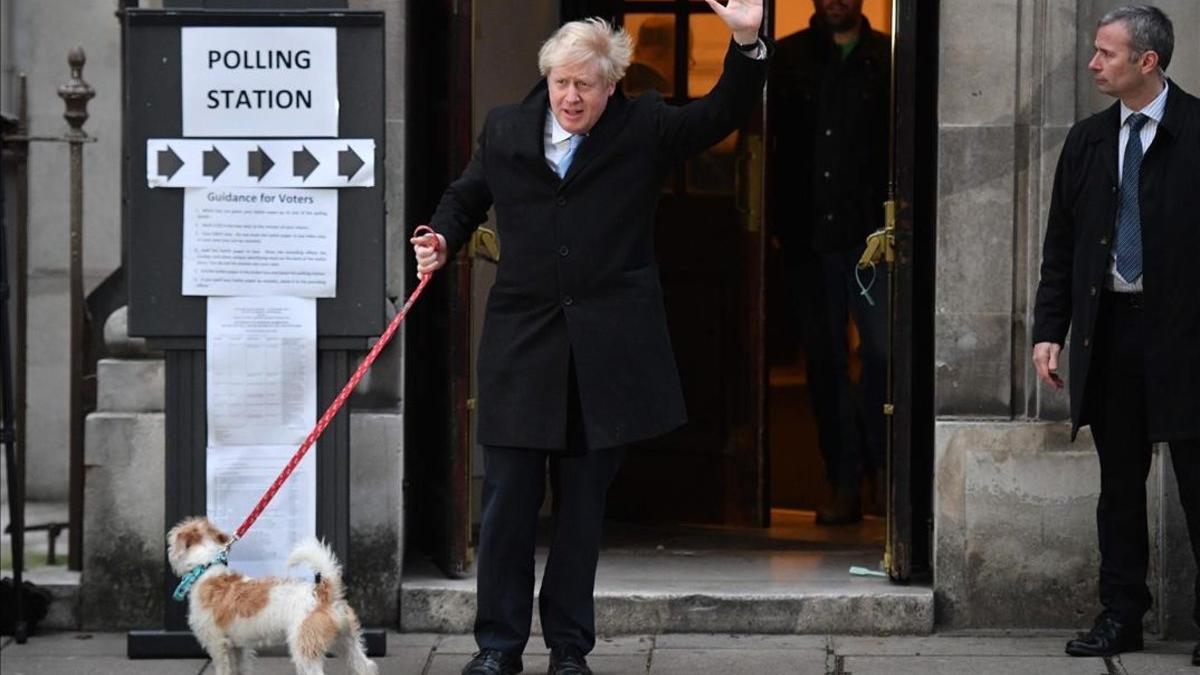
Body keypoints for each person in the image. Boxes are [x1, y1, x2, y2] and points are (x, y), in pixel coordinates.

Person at [411, 4, 769, 674]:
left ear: (611, 86)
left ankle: (570, 649)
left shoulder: (644, 127)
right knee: (509, 505)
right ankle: (497, 646)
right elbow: (465, 197)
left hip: (604, 353)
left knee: (580, 512)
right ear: (546, 80)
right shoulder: (507, 128)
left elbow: (721, 112)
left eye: (586, 85)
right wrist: (440, 237)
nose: (571, 97)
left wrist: (746, 39)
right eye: (561, 83)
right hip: (523, 347)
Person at [1032, 5, 1200, 666]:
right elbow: (1061, 247)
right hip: (1112, 333)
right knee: (1119, 488)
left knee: (1198, 485)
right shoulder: (1087, 141)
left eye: (1106, 53)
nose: (1094, 63)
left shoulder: (1197, 130)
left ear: (1147, 62)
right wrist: (1051, 331)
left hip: (1187, 337)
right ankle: (1121, 613)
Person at [769, 0, 890, 525]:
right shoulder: (787, 56)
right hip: (806, 235)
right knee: (824, 364)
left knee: (883, 355)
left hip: (873, 239)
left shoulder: (890, 58)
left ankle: (884, 471)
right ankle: (842, 480)